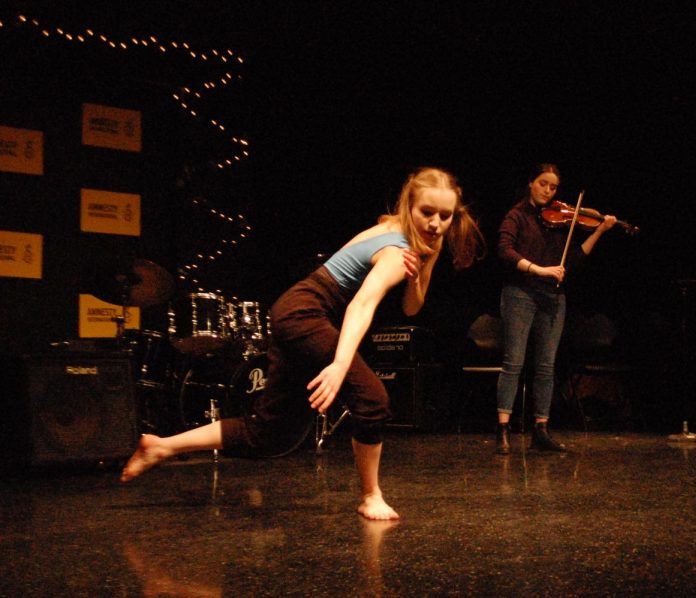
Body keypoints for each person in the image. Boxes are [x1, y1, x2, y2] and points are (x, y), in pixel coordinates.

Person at [121, 167, 483, 520]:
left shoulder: (416, 242)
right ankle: (371, 496)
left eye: (445, 216)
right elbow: (362, 304)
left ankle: (160, 446)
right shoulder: (394, 248)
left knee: (270, 435)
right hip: (305, 314)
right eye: (427, 212)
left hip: (296, 309)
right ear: (409, 206)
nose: (436, 223)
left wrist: (416, 277)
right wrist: (340, 364)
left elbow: (411, 306)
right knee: (373, 401)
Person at [494, 163, 617, 454]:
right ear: (530, 183)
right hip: (520, 294)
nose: (548, 191)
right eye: (543, 184)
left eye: (553, 187)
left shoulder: (560, 220)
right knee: (514, 362)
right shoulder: (517, 215)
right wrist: (538, 269)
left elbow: (572, 260)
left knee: (546, 366)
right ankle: (502, 429)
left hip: (552, 298)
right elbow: (504, 251)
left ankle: (541, 429)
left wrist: (600, 230)